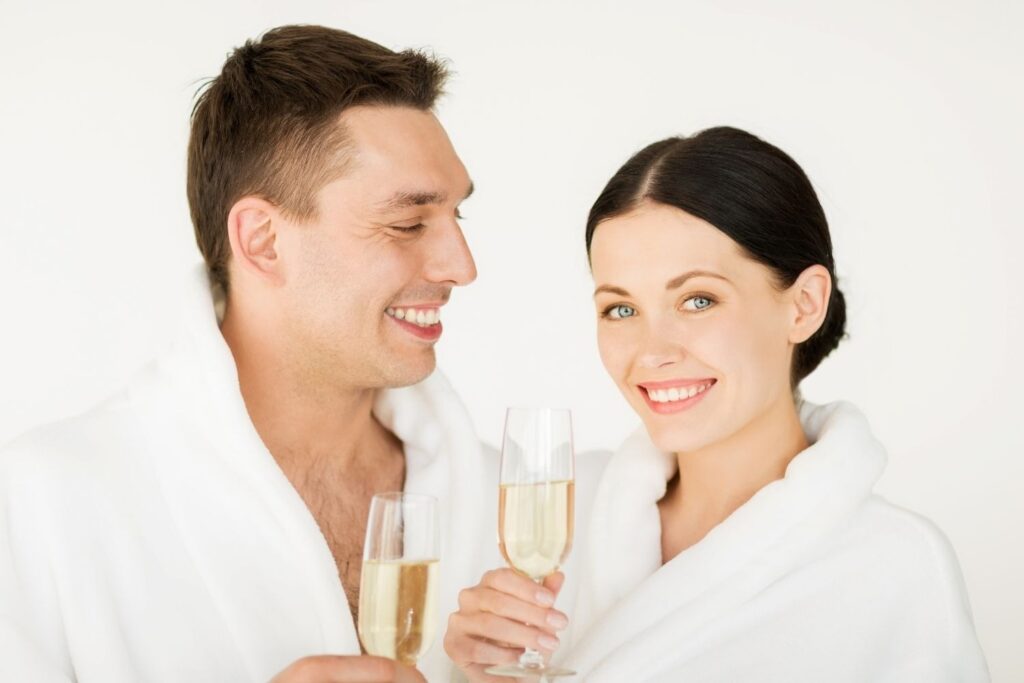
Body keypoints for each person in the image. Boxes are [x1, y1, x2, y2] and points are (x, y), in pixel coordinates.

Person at [0, 25, 498, 682]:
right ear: (262, 240)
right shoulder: (44, 505)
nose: (461, 266)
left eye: (456, 217)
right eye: (407, 223)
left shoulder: (502, 504)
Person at [445, 126, 989, 682]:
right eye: (621, 309)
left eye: (697, 300)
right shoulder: (560, 523)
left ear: (804, 305)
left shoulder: (897, 566)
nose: (652, 353)